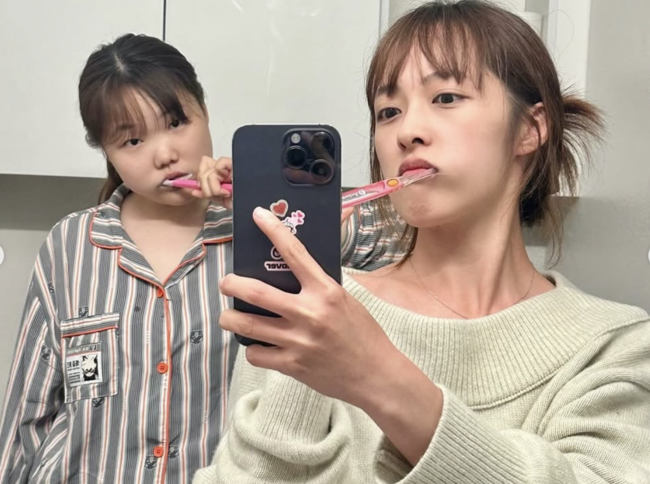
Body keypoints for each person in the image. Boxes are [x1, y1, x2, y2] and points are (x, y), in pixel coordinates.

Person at [193, 1, 650, 483]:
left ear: (530, 129)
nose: (406, 132)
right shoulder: (317, 311)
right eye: (388, 112)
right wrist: (303, 364)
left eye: (446, 97)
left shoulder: (612, 344)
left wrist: (380, 379)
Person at [0, 33, 391, 483]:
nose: (165, 154)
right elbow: (28, 413)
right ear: (106, 151)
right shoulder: (70, 245)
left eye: (176, 122)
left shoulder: (265, 231)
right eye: (132, 141)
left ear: (203, 109)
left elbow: (398, 243)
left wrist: (268, 199)